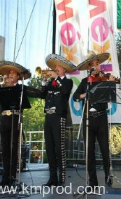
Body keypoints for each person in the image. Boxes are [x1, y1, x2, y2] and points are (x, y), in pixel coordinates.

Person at [73, 51, 114, 188]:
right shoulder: (85, 82)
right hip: (88, 119)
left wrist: (112, 83)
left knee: (104, 150)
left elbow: (113, 93)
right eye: (93, 65)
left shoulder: (104, 79)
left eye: (97, 64)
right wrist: (85, 95)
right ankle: (92, 181)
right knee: (89, 152)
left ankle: (108, 178)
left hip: (101, 117)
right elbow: (75, 96)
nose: (96, 67)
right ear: (89, 67)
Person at [41, 54, 76, 187]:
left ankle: (61, 178)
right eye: (54, 67)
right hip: (48, 116)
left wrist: (56, 78)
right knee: (49, 148)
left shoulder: (67, 81)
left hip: (58, 116)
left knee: (59, 148)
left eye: (58, 67)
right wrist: (44, 82)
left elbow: (65, 91)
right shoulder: (51, 83)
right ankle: (52, 178)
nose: (55, 69)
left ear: (64, 70)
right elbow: (41, 94)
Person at [0, 61, 32, 187]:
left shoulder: (19, 88)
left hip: (15, 118)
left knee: (13, 148)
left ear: (17, 77)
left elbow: (24, 102)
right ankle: (5, 177)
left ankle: (12, 177)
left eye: (12, 73)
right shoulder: (3, 88)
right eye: (8, 73)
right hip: (4, 118)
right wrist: (3, 85)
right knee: (4, 149)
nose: (10, 75)